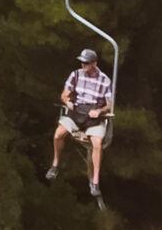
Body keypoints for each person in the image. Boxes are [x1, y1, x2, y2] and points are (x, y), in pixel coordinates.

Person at [47, 49, 114, 198]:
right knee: (58, 134)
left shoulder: (104, 80)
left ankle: (95, 181)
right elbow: (64, 93)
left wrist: (99, 111)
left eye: (87, 63)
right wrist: (67, 100)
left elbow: (109, 104)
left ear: (94, 64)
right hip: (77, 110)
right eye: (82, 62)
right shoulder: (75, 74)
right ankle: (55, 164)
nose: (83, 65)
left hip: (93, 113)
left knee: (97, 143)